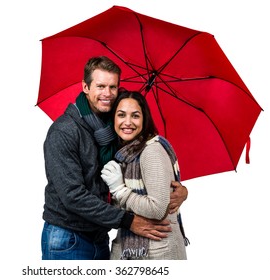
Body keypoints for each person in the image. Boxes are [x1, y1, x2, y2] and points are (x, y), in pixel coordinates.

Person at [41, 56, 188, 260]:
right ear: (85, 87)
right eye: (100, 86)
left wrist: (180, 190)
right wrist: (128, 221)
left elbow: (143, 178)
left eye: (113, 87)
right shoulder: (64, 131)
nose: (107, 94)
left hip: (100, 236)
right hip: (68, 237)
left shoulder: (115, 130)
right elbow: (72, 195)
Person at [101, 89, 188, 260]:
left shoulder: (151, 151)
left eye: (135, 116)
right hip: (132, 249)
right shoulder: (125, 154)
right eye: (121, 115)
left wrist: (120, 190)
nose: (127, 122)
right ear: (113, 119)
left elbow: (157, 209)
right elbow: (121, 210)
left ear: (144, 119)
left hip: (157, 253)